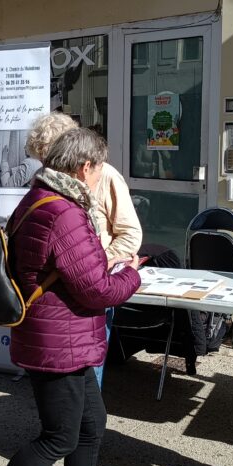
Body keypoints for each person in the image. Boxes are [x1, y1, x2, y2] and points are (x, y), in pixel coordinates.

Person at [0, 128, 141, 466]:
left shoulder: (40, 197)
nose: (100, 177)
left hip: (62, 337)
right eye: (99, 169)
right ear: (84, 167)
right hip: (58, 341)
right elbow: (96, 289)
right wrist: (133, 274)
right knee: (60, 436)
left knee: (91, 425)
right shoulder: (64, 212)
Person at [24, 112, 143, 387]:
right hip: (57, 292)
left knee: (87, 370)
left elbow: (130, 233)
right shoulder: (48, 184)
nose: (49, 168)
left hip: (94, 286)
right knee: (63, 373)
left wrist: (99, 263)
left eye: (52, 158)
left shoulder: (104, 175)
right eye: (43, 161)